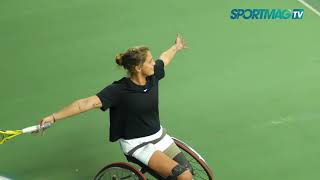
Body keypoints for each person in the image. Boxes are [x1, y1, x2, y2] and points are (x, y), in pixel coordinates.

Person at [38, 34, 192, 179]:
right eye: (150, 61)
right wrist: (53, 117)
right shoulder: (118, 90)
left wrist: (176, 47)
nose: (154, 63)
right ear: (138, 68)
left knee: (188, 172)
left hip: (159, 136)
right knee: (183, 176)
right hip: (137, 145)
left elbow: (164, 59)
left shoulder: (152, 76)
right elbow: (84, 104)